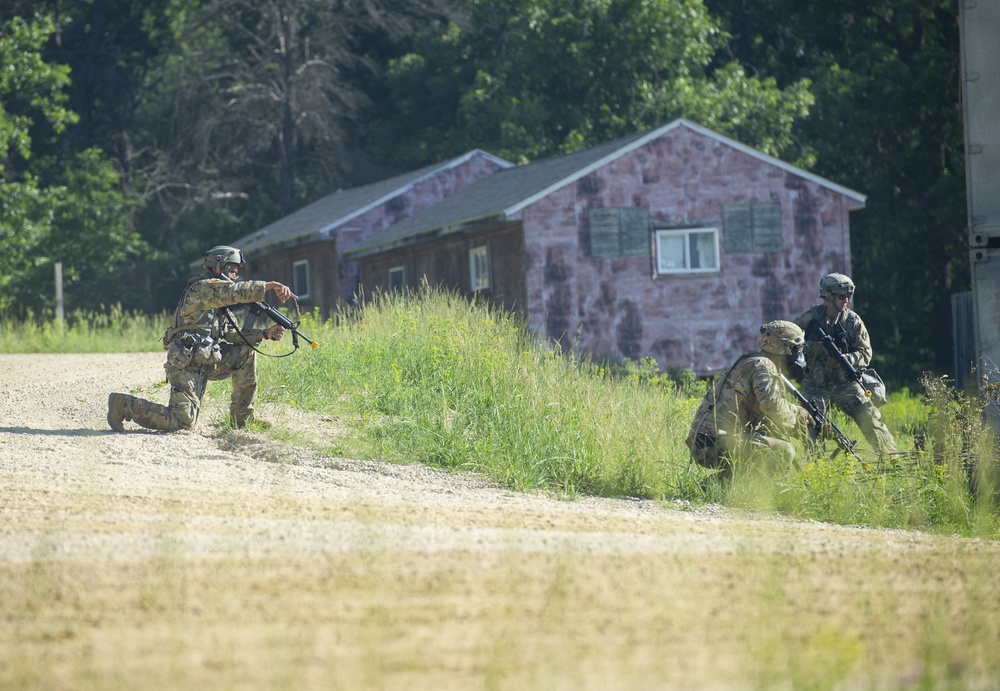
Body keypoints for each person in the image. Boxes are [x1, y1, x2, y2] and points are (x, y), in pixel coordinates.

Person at [107, 245, 295, 432]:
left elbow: (232, 333)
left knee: (246, 352)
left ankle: (242, 419)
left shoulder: (219, 302)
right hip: (186, 365)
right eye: (230, 270)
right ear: (216, 266)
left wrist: (264, 333)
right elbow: (235, 292)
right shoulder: (203, 289)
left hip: (208, 360)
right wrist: (270, 286)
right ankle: (123, 404)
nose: (234, 276)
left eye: (236, 272)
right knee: (181, 423)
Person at [686, 320, 814, 481]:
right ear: (782, 347)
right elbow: (772, 405)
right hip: (714, 442)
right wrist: (797, 414)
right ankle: (726, 489)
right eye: (796, 349)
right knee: (783, 451)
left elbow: (766, 415)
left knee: (772, 441)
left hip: (707, 440)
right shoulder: (763, 366)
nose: (798, 355)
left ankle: (714, 485)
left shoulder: (755, 360)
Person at [792, 272, 897, 456]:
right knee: (810, 423)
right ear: (828, 295)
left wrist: (845, 359)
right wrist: (811, 348)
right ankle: (817, 467)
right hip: (816, 386)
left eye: (849, 296)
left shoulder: (853, 322)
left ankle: (892, 460)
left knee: (870, 418)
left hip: (846, 384)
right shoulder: (809, 319)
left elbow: (866, 353)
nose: (846, 300)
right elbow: (789, 340)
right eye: (841, 296)